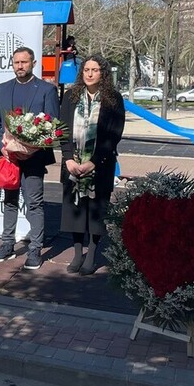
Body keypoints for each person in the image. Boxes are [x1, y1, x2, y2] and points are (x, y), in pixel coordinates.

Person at [0, 46, 60, 270]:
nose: (20, 66)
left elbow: (52, 125)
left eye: (24, 62)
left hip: (34, 158)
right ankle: (7, 244)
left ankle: (35, 249)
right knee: (9, 201)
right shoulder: (3, 88)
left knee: (34, 203)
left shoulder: (46, 90)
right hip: (9, 157)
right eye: (16, 62)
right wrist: (2, 145)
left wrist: (31, 147)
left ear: (33, 64)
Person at [60, 55, 125, 275]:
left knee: (96, 212)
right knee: (75, 210)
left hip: (100, 165)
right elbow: (62, 129)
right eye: (86, 69)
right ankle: (78, 253)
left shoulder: (113, 99)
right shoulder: (70, 96)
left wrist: (94, 162)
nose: (89, 74)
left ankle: (92, 254)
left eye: (94, 70)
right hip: (72, 164)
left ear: (103, 73)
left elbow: (114, 134)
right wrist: (68, 158)